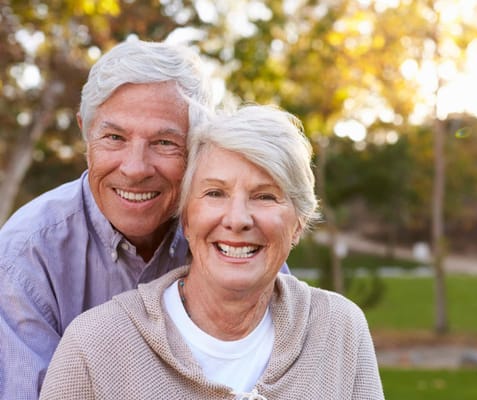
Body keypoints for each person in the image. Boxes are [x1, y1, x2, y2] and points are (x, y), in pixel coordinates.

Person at [0, 39, 284, 399]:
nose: (135, 169)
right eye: (114, 137)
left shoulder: (233, 236)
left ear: (198, 146)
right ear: (85, 131)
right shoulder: (24, 256)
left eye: (164, 143)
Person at [40, 105, 384, 399]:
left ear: (298, 224)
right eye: (215, 193)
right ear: (186, 218)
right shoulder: (95, 345)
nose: (237, 220)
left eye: (265, 196)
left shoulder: (339, 328)